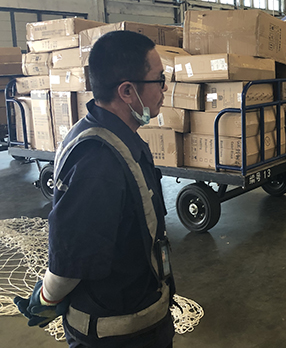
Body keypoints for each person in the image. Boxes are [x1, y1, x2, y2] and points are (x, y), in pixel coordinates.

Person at [14, 30, 175, 348]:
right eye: (159, 79)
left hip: (139, 320)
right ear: (127, 91)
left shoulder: (113, 135)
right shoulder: (98, 162)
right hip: (117, 335)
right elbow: (73, 259)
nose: (164, 88)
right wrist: (47, 298)